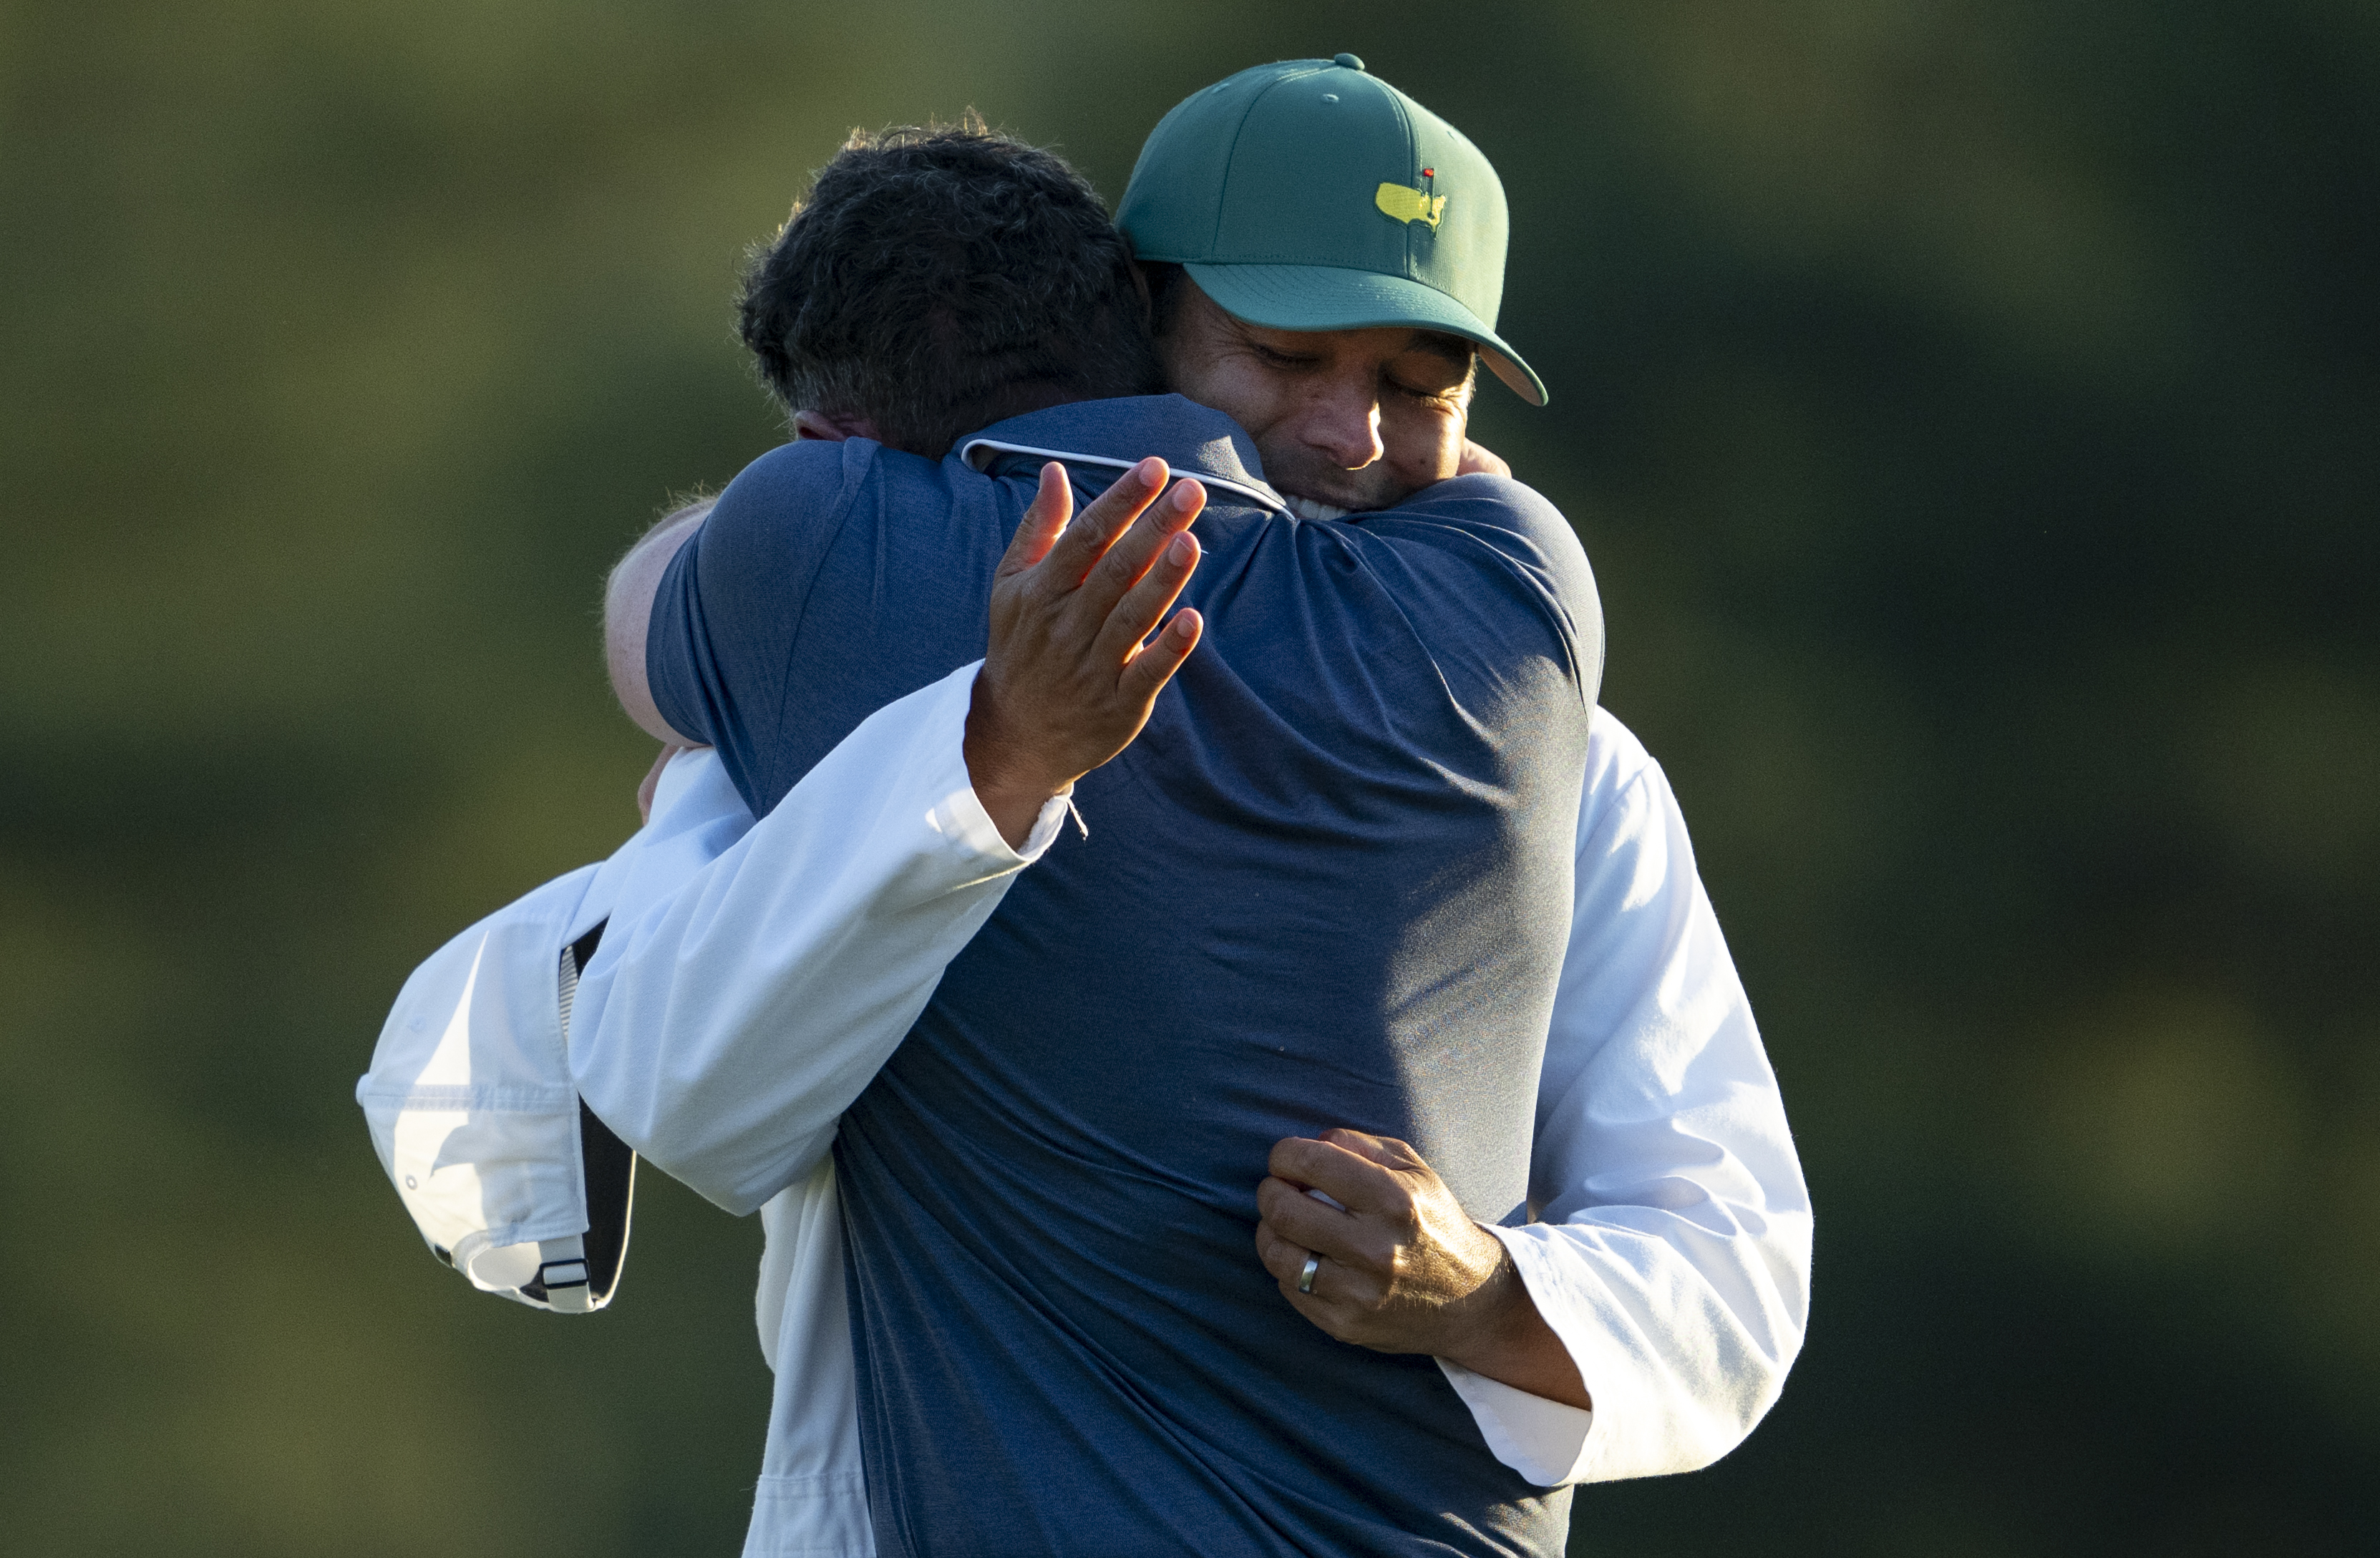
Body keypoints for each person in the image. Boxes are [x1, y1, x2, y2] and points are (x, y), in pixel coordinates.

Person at [589, 59, 1807, 1558]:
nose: (1348, 431)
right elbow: (674, 1092)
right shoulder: (872, 684)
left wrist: (1488, 1293)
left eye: (1420, 386)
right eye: (1285, 354)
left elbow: (1730, 1278)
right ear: (1136, 328)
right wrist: (990, 762)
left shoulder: (1576, 764)